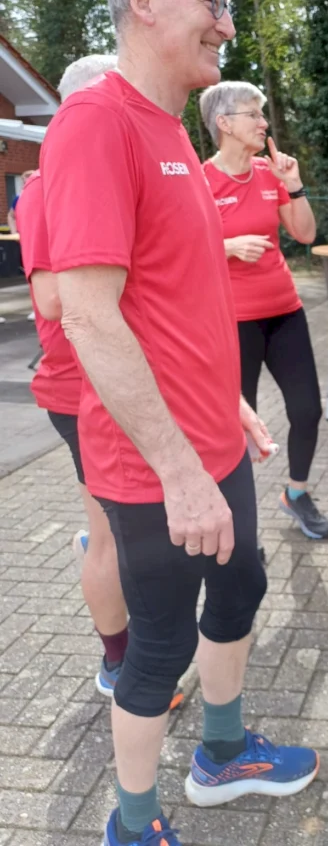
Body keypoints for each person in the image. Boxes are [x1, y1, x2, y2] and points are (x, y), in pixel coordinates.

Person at [41, 0, 318, 846]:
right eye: (213, 1)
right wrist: (181, 470)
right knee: (159, 646)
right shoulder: (96, 124)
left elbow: (178, 304)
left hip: (212, 439)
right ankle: (131, 821)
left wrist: (232, 407)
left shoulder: (169, 133)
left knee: (242, 588)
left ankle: (224, 753)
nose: (227, 25)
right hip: (157, 464)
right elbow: (88, 317)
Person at [15, 54, 156, 704]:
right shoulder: (51, 187)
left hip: (105, 385)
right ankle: (117, 663)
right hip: (78, 388)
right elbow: (48, 299)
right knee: (105, 538)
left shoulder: (88, 175)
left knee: (113, 533)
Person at [199, 81, 328, 540]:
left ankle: (296, 494)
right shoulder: (200, 181)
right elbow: (181, 252)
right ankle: (239, 523)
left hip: (284, 312)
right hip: (232, 322)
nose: (262, 123)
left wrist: (293, 185)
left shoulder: (269, 171)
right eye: (253, 114)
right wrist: (227, 245)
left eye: (262, 114)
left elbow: (306, 234)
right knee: (238, 425)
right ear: (224, 123)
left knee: (308, 410)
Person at [7, 169, 36, 234]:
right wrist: (14, 234)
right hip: (26, 237)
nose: (25, 186)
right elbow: (11, 216)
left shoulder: (47, 197)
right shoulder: (19, 199)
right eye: (24, 183)